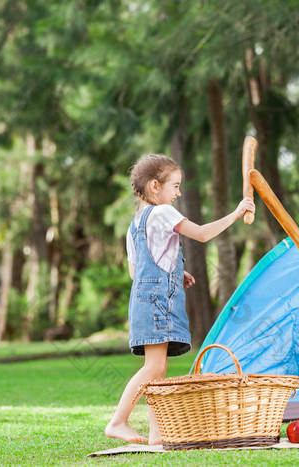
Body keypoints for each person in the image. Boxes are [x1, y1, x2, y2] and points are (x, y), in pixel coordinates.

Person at [105, 153, 255, 445]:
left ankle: (156, 435)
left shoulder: (135, 224)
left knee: (158, 370)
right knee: (153, 368)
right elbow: (200, 234)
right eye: (174, 186)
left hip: (143, 301)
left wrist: (177, 272)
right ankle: (118, 421)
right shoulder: (163, 213)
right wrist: (237, 213)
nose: (178, 192)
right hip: (158, 302)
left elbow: (137, 272)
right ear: (154, 187)